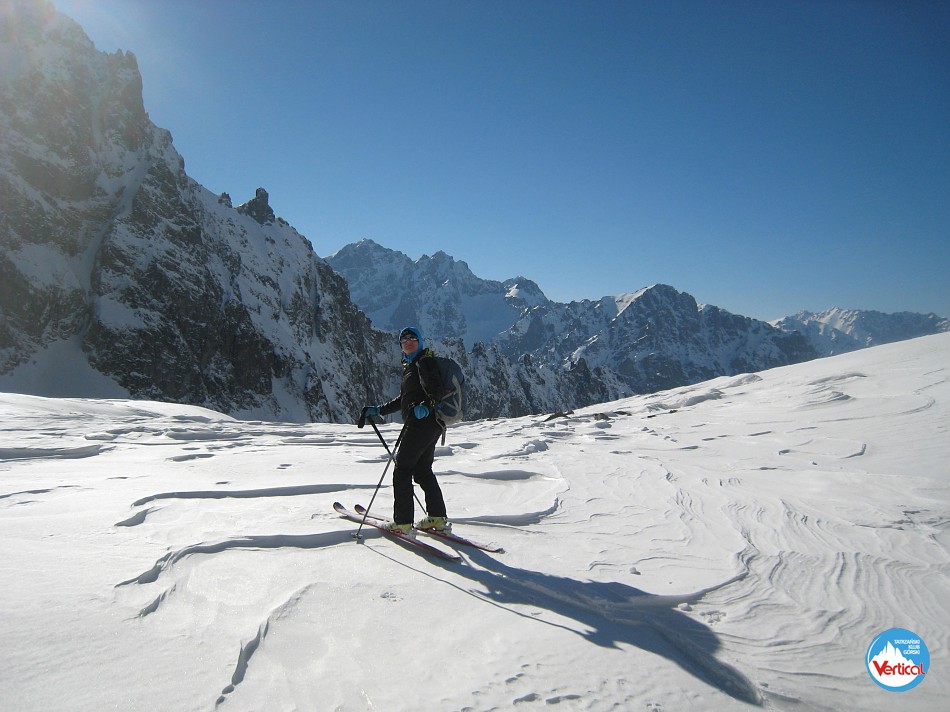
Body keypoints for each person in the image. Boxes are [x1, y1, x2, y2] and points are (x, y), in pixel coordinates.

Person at [361, 326, 448, 534]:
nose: (408, 342)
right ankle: (437, 517)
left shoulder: (424, 363)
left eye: (412, 338)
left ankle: (403, 522)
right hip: (431, 425)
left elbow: (436, 390)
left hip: (422, 424)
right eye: (404, 339)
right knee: (422, 470)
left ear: (420, 341)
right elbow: (405, 400)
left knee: (402, 470)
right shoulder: (413, 366)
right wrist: (379, 410)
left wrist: (425, 407)